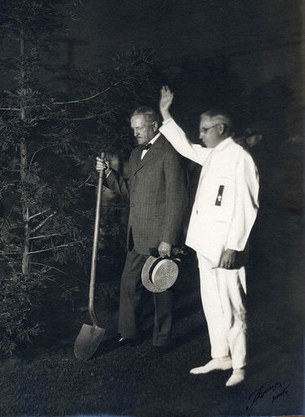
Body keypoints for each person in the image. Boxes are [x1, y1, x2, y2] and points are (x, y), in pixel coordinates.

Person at [159, 86, 259, 387]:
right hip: (204, 245)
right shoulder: (213, 155)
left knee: (233, 306)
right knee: (212, 304)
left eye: (204, 130)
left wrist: (233, 245)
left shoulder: (239, 158)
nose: (200, 134)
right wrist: (165, 114)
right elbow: (186, 147)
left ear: (221, 128)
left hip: (227, 248)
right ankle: (221, 356)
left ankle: (239, 366)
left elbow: (247, 204)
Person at [96, 106, 188, 348]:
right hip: (137, 234)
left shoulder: (170, 152)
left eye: (139, 128)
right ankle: (129, 332)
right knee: (129, 283)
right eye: (133, 128)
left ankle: (162, 338)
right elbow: (130, 190)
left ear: (154, 125)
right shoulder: (136, 154)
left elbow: (177, 198)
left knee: (162, 288)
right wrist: (108, 174)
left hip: (160, 236)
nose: (135, 132)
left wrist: (168, 238)